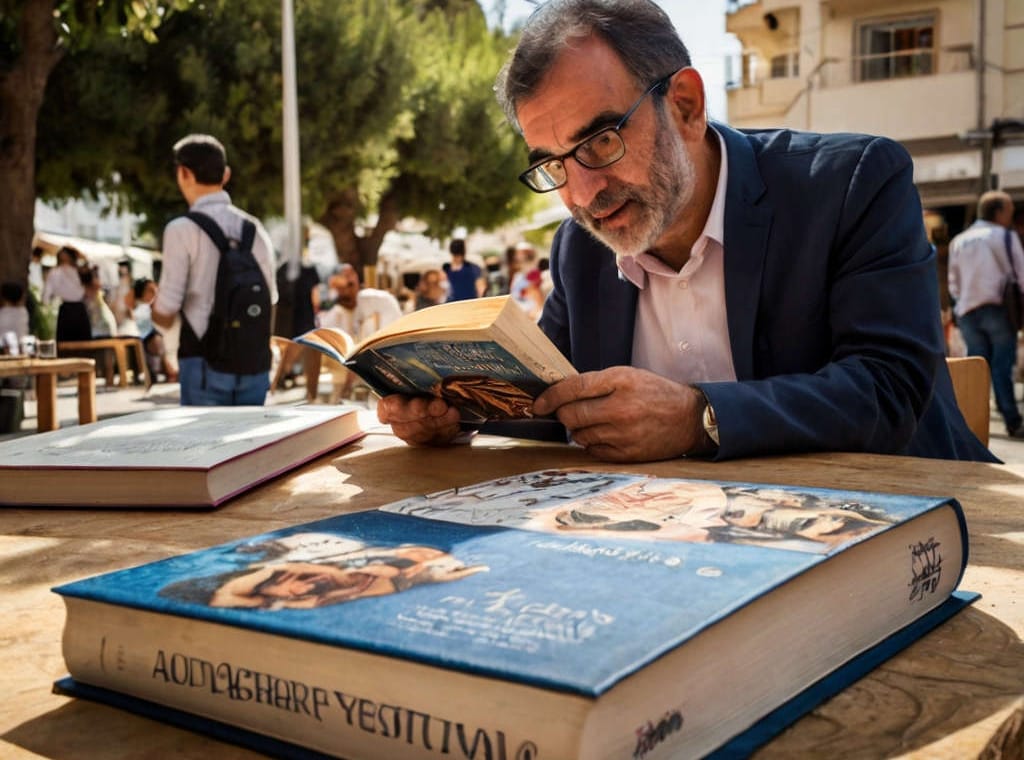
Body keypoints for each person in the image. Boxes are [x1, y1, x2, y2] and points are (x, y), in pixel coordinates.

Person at [378, 0, 994, 464]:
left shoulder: (852, 184)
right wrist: (459, 418)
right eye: (552, 164)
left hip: (909, 527)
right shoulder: (579, 251)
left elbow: (890, 390)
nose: (584, 195)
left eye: (600, 141)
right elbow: (553, 407)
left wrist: (702, 417)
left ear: (686, 106)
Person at [153, 134, 278, 406]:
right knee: (252, 449)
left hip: (203, 365)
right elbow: (270, 300)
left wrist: (151, 309)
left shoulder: (180, 230)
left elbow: (167, 309)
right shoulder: (255, 230)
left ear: (183, 173)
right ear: (226, 174)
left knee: (205, 449)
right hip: (254, 365)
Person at [948, 190, 1024, 437]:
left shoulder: (959, 240)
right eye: (1010, 212)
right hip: (998, 309)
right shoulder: (1004, 236)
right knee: (1002, 365)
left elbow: (953, 282)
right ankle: (1012, 420)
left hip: (968, 311)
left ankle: (969, 425)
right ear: (999, 212)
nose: (1010, 217)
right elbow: (1021, 274)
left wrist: (960, 307)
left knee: (975, 370)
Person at [273, 228, 323, 401]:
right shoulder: (309, 268)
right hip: (306, 321)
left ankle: (276, 384)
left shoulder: (281, 269)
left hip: (284, 322)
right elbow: (316, 298)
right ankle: (311, 394)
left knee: (284, 355)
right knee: (311, 358)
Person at [318, 264, 402, 340]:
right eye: (344, 276)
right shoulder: (330, 318)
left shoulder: (381, 300)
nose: (349, 280)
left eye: (351, 274)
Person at [41, 245, 90, 342]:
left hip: (76, 310)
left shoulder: (79, 271)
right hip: (70, 310)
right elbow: (46, 296)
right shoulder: (57, 272)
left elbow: (45, 297)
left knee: (79, 344)